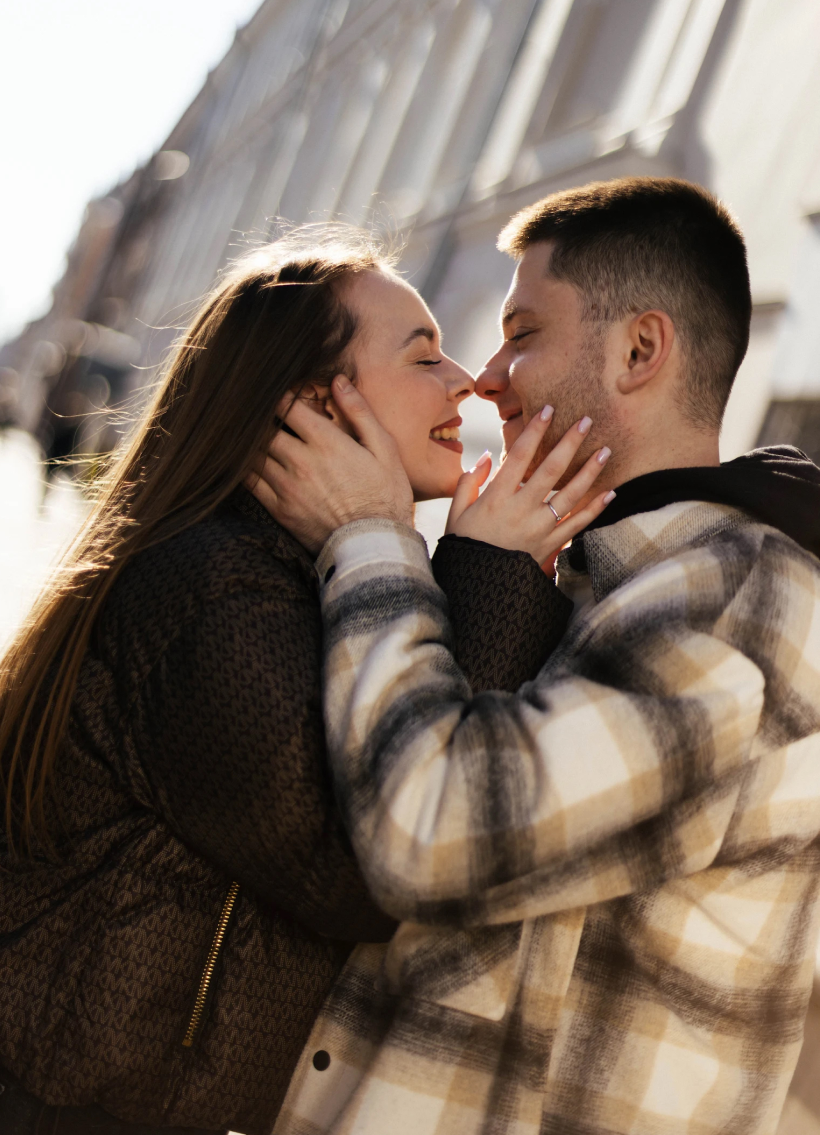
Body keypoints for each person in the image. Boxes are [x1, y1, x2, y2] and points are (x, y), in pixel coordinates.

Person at [0, 227, 610, 1135]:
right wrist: (486, 570)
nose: (467, 383)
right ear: (315, 405)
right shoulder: (208, 589)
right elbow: (374, 863)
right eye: (424, 356)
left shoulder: (303, 575)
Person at [253, 178, 820, 1135]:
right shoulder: (612, 577)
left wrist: (370, 538)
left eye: (522, 334)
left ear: (639, 351)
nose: (485, 379)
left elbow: (433, 827)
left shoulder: (740, 597)